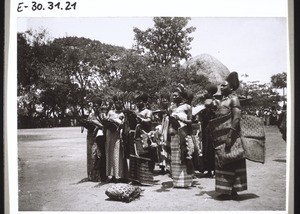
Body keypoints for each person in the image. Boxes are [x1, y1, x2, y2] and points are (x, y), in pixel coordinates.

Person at [213, 71, 247, 199]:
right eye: (221, 85)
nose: (221, 87)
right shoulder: (223, 100)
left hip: (230, 136)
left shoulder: (234, 99)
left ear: (231, 87)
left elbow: (236, 118)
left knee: (231, 160)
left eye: (224, 85)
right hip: (221, 136)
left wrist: (230, 136)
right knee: (223, 161)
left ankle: (232, 191)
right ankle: (225, 190)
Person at [168, 83, 194, 188]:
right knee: (175, 158)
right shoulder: (172, 107)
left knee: (184, 155)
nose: (174, 97)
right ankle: (177, 182)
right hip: (174, 135)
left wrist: (180, 119)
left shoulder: (187, 106)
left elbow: (190, 121)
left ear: (181, 95)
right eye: (173, 95)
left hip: (184, 134)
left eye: (176, 95)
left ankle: (186, 182)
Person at [103, 96, 128, 183]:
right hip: (109, 134)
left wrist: (117, 122)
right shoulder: (110, 112)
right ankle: (110, 175)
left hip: (117, 135)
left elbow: (123, 125)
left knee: (117, 155)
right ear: (114, 103)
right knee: (109, 154)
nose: (119, 104)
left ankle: (118, 175)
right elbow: (105, 122)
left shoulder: (123, 114)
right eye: (117, 102)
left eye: (120, 103)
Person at [197, 84, 219, 178]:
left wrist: (211, 108)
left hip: (212, 127)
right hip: (205, 127)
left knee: (212, 149)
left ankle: (214, 170)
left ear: (210, 92)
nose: (204, 93)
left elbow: (217, 114)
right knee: (206, 149)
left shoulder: (215, 101)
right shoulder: (204, 102)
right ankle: (209, 170)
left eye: (206, 91)